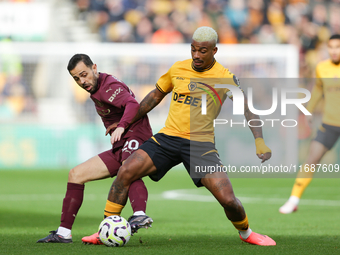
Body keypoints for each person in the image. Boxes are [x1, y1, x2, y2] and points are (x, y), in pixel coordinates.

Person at [103, 26, 276, 246]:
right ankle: (106, 229)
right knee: (126, 171)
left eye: (202, 51)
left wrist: (259, 140)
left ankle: (247, 233)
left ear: (215, 50)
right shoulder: (177, 69)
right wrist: (126, 122)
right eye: (193, 49)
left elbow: (248, 110)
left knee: (228, 200)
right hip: (168, 138)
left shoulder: (225, 77)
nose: (196, 55)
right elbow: (154, 97)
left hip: (200, 145)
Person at [37, 54, 153, 244]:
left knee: (128, 169)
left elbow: (132, 104)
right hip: (120, 144)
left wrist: (122, 125)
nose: (82, 81)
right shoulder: (97, 89)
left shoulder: (108, 87)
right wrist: (117, 123)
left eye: (84, 74)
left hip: (135, 136)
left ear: (94, 68)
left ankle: (139, 214)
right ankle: (63, 233)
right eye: (76, 78)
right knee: (76, 174)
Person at [279, 34, 340, 214]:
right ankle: (293, 199)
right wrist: (308, 110)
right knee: (312, 158)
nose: (334, 50)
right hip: (329, 124)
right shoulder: (322, 68)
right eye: (331, 47)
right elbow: (318, 89)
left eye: (337, 47)